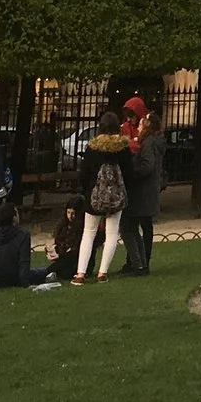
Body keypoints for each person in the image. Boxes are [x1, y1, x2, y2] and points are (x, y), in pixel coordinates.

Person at [74, 116, 131, 282]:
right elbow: (129, 173)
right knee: (112, 233)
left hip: (94, 196)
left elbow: (84, 174)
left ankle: (80, 273)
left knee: (88, 233)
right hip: (115, 197)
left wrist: (87, 190)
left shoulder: (92, 148)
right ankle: (102, 272)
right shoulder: (122, 148)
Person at [119, 103, 163, 276]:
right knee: (139, 227)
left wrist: (133, 173)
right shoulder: (151, 141)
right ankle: (138, 262)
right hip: (146, 191)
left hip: (143, 190)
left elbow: (148, 165)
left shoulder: (148, 142)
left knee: (134, 227)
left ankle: (140, 263)